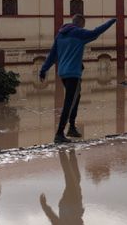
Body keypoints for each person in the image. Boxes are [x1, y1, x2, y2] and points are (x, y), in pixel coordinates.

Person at [39, 14, 117, 143]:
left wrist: (43, 70)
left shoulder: (60, 35)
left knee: (76, 97)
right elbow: (95, 32)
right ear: (81, 23)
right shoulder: (79, 33)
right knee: (69, 102)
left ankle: (72, 128)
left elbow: (53, 55)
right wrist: (112, 21)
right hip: (73, 74)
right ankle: (59, 133)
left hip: (63, 73)